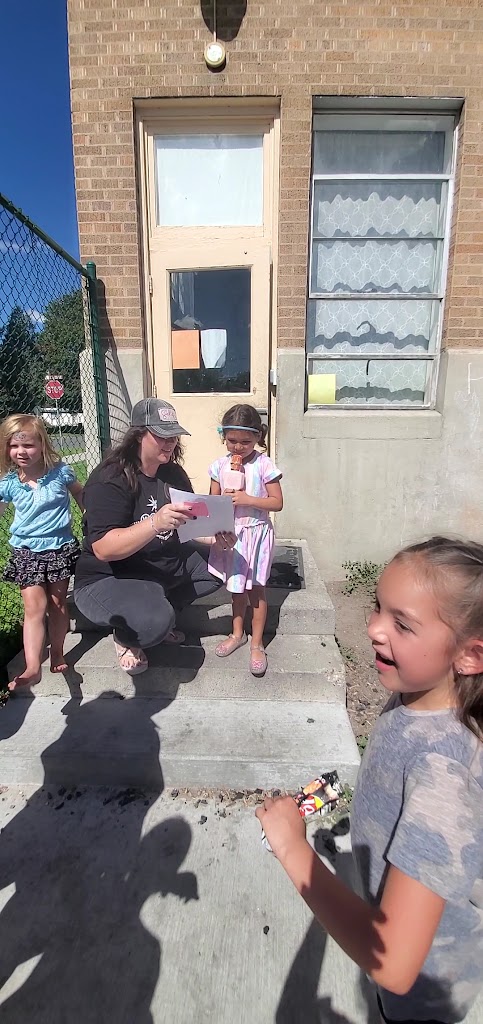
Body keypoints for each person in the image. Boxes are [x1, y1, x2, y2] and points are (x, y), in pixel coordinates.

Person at [256, 537, 483, 1024]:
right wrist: (345, 794)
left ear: (469, 656)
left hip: (424, 994)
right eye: (378, 607)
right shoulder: (416, 694)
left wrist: (294, 850)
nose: (374, 628)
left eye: (402, 624)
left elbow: (394, 963)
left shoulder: (443, 776)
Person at [74, 398, 222, 674]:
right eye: (161, 436)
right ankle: (127, 634)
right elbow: (104, 549)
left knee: (223, 567)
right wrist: (155, 522)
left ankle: (159, 606)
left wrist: (216, 539)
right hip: (109, 576)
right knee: (153, 621)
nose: (170, 443)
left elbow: (189, 524)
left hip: (158, 565)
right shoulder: (110, 478)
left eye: (174, 436)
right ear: (138, 435)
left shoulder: (173, 474)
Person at [0, 413, 84, 688]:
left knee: (58, 603)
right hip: (26, 551)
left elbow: (80, 494)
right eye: (14, 446)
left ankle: (57, 650)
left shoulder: (61, 472)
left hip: (59, 547)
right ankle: (33, 665)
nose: (21, 452)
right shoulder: (10, 483)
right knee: (34, 607)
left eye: (28, 445)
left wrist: (89, 514)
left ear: (42, 445)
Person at [208, 404, 283, 677]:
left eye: (246, 442)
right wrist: (221, 503)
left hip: (257, 533)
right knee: (236, 588)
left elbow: (277, 502)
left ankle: (257, 643)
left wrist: (248, 499)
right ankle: (236, 632)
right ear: (224, 437)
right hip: (233, 535)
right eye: (232, 441)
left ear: (257, 437)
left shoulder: (264, 464)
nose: (238, 448)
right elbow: (212, 502)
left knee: (256, 590)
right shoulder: (218, 465)